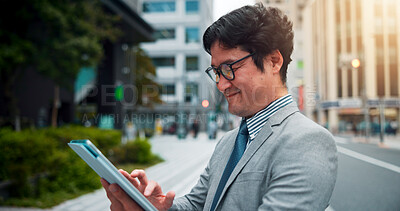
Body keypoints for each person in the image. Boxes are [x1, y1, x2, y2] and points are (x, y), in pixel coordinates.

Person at [101, 4, 338, 210]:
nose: (222, 84)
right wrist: (159, 207)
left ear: (273, 61)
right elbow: (198, 203)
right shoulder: (229, 141)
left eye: (229, 67)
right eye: (216, 72)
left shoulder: (307, 141)